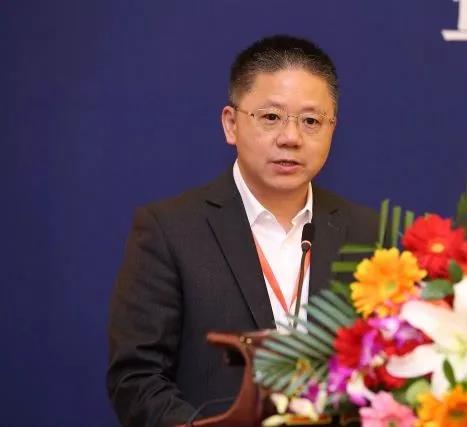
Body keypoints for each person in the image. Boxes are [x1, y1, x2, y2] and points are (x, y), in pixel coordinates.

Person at [107, 35, 378, 426]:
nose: (290, 137)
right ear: (231, 124)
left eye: (311, 121)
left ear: (332, 128)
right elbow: (137, 379)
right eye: (270, 117)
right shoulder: (170, 230)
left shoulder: (367, 233)